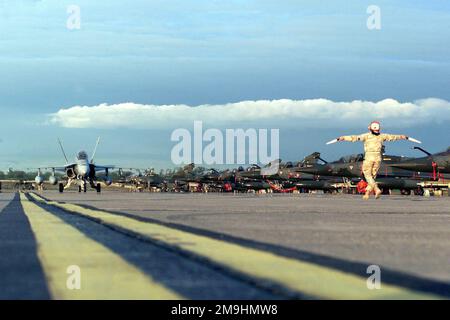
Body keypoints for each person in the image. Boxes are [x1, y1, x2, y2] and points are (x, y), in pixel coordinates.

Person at [337, 121, 408, 200]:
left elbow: (355, 138)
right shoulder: (382, 136)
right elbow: (392, 137)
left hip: (369, 157)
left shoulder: (366, 136)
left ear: (369, 128)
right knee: (373, 176)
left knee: (367, 175)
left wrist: (343, 138)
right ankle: (367, 193)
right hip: (378, 158)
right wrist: (401, 136)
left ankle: (376, 189)